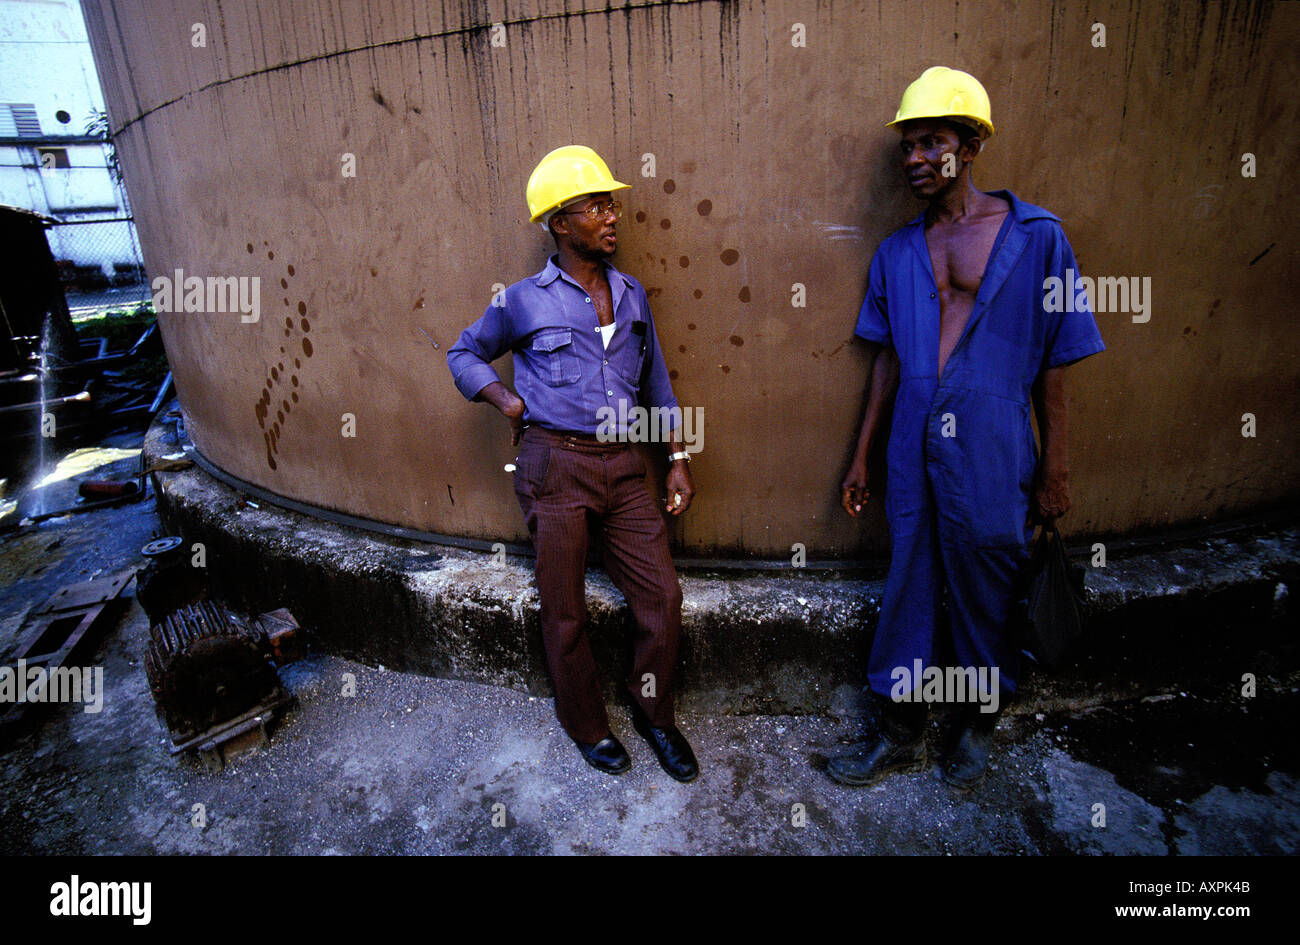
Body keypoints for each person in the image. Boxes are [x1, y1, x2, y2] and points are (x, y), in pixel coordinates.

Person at [830, 68, 1105, 790]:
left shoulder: (1039, 238)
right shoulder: (896, 252)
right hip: (913, 440)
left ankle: (978, 725)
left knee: (990, 579)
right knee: (909, 581)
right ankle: (898, 727)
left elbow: (1057, 359)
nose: (915, 158)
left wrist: (1057, 466)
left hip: (995, 437)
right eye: (907, 145)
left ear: (972, 144)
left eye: (932, 143)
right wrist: (862, 456)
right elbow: (886, 358)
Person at [447, 146, 700, 781]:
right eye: (596, 207)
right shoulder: (523, 301)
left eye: (612, 205)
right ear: (561, 223)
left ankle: (654, 712)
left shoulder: (632, 294)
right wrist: (504, 398)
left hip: (625, 466)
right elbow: (463, 352)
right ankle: (585, 723)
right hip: (554, 466)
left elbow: (658, 388)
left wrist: (676, 457)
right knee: (564, 609)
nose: (612, 216)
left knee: (662, 596)